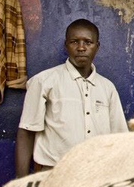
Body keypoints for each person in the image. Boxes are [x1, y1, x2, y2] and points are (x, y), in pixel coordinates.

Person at [15, 19, 128, 177]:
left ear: (97, 46)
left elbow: (119, 138)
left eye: (88, 42)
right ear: (66, 45)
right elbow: (26, 132)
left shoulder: (107, 87)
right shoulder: (44, 81)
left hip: (98, 175)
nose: (81, 48)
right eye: (74, 41)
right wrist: (21, 183)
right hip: (55, 174)